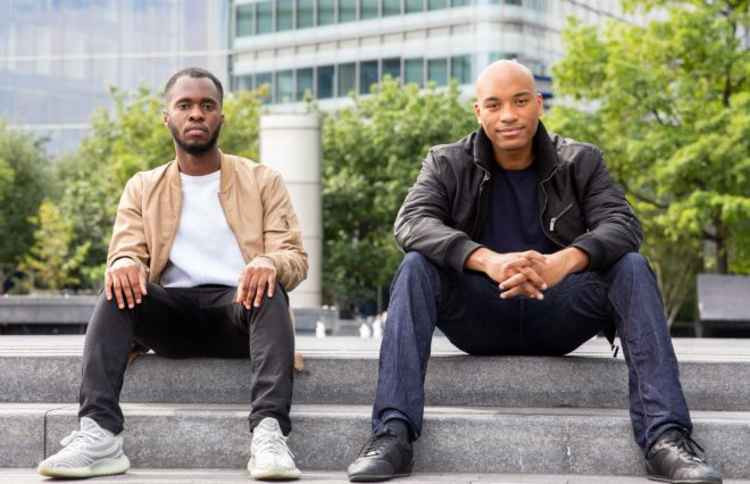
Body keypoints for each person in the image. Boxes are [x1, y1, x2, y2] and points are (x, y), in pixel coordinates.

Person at [347, 60, 722, 484]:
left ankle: (666, 438)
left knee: (632, 266)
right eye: (495, 104)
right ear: (478, 112)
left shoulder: (580, 160)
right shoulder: (446, 163)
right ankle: (392, 434)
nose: (508, 115)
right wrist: (488, 260)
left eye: (520, 101)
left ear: (538, 104)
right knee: (415, 266)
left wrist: (563, 262)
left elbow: (623, 224)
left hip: (559, 310)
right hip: (479, 314)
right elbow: (412, 223)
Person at [38, 67, 307, 481]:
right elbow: (126, 249)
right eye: (184, 105)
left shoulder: (262, 179)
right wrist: (125, 263)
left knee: (270, 286)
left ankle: (269, 434)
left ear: (221, 117)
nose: (196, 114)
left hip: (241, 309)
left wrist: (268, 262)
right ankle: (100, 434)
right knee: (116, 288)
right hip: (172, 316)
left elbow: (293, 256)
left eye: (207, 106)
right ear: (168, 117)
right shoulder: (143, 186)